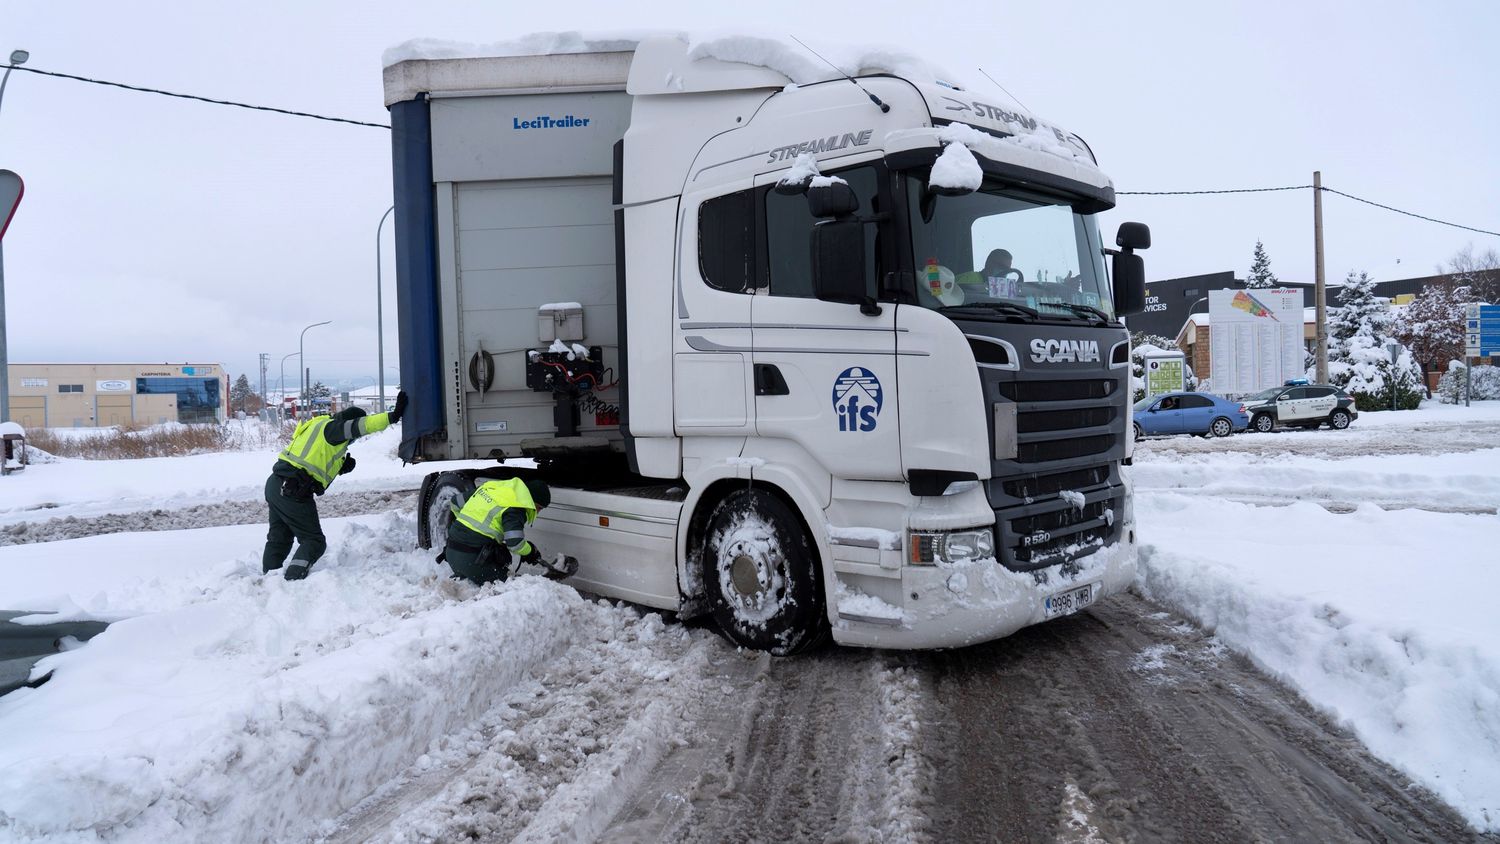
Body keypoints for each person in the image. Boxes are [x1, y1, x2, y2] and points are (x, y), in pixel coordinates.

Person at [263, 391, 407, 580]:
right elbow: (361, 426)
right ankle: (293, 581)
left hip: (276, 484)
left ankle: (267, 579)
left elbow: (312, 463)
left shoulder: (318, 426)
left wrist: (340, 467)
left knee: (279, 537)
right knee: (314, 541)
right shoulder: (334, 428)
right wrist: (392, 417)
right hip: (292, 489)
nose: (352, 440)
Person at [441, 477, 552, 585]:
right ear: (532, 500)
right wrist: (531, 551)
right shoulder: (516, 507)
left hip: (451, 554)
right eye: (539, 508)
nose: (538, 512)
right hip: (473, 561)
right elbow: (515, 544)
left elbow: (455, 502)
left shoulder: (491, 489)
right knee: (509, 585)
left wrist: (464, 525)